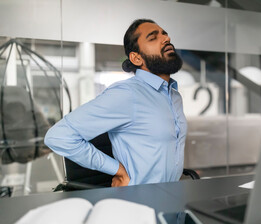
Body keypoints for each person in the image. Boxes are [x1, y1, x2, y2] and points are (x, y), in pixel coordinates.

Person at [45, 19, 187, 187]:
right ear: (136, 58)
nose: (166, 38)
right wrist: (117, 170)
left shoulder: (174, 95)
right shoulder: (127, 94)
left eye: (164, 33)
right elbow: (58, 136)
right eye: (153, 37)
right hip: (141, 204)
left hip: (172, 199)